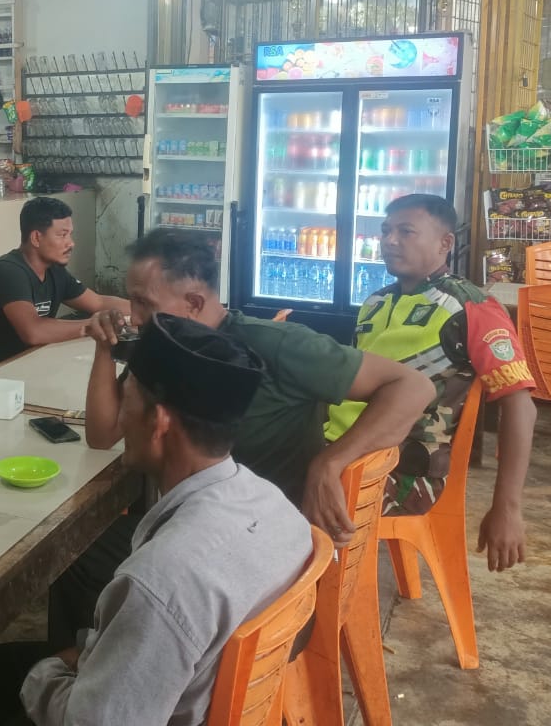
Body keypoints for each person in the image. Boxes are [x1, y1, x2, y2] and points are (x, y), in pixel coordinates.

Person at [0, 314, 314, 726]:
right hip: (207, 696)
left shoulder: (161, 581)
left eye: (126, 401)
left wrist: (50, 673)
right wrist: (90, 655)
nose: (119, 418)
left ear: (159, 422)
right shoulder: (280, 509)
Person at [52, 227, 433, 647]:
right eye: (131, 301)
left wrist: (330, 462)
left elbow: (413, 387)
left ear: (194, 303)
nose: (134, 317)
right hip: (200, 529)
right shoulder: (165, 346)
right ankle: (92, 659)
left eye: (143, 303)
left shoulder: (274, 344)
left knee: (78, 560)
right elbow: (103, 434)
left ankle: (93, 670)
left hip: (258, 556)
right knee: (78, 553)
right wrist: (104, 348)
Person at [327, 194, 538, 572]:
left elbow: (520, 404)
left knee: (287, 497)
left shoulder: (470, 308)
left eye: (406, 231)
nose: (390, 241)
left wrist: (507, 507)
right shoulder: (376, 302)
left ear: (445, 243)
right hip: (343, 448)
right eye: (385, 231)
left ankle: (313, 599)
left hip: (403, 470)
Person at [0, 197, 130, 380]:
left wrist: (143, 310)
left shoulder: (54, 271)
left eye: (70, 234)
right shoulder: (8, 271)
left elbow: (98, 302)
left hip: (23, 365)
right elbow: (33, 332)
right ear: (36, 238)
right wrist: (92, 326)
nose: (71, 243)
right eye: (62, 235)